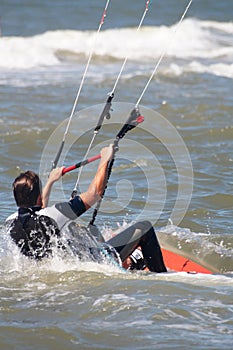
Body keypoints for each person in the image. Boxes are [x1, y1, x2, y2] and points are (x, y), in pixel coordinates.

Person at [5, 144, 167, 272]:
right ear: (39, 196)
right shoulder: (55, 214)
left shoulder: (10, 222)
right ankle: (161, 276)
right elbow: (95, 193)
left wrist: (51, 182)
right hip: (97, 263)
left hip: (61, 265)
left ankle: (132, 262)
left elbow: (39, 211)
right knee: (144, 227)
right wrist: (105, 159)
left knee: (93, 231)